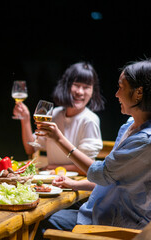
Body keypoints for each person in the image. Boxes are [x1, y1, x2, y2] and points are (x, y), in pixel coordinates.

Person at [36, 60, 151, 238]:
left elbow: (102, 173)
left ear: (139, 93)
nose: (116, 94)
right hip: (98, 210)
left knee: (42, 221)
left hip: (114, 224)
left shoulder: (145, 141)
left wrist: (59, 139)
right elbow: (115, 178)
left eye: (121, 87)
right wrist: (75, 183)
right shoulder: (130, 125)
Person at [13, 62, 104, 174]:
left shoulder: (90, 120)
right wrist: (25, 119)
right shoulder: (55, 114)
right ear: (66, 86)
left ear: (92, 91)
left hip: (76, 185)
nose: (80, 92)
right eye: (76, 85)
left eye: (86, 87)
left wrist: (52, 167)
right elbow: (31, 148)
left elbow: (88, 168)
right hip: (53, 182)